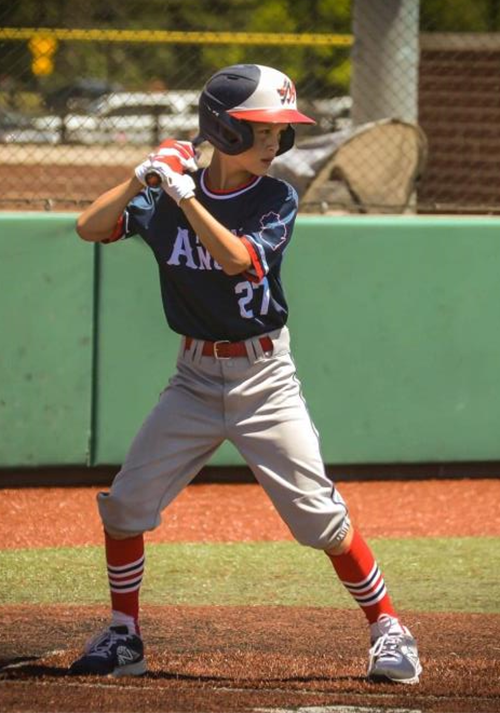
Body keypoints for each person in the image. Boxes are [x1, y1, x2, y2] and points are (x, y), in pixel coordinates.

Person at [69, 64, 422, 684]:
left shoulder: (274, 196)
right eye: (263, 130)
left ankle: (388, 628)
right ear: (224, 130)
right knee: (125, 507)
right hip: (195, 379)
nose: (275, 142)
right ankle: (125, 636)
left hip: (265, 379)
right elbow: (88, 227)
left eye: (279, 132)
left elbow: (237, 260)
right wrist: (139, 178)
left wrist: (184, 195)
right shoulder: (166, 194)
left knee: (320, 520)